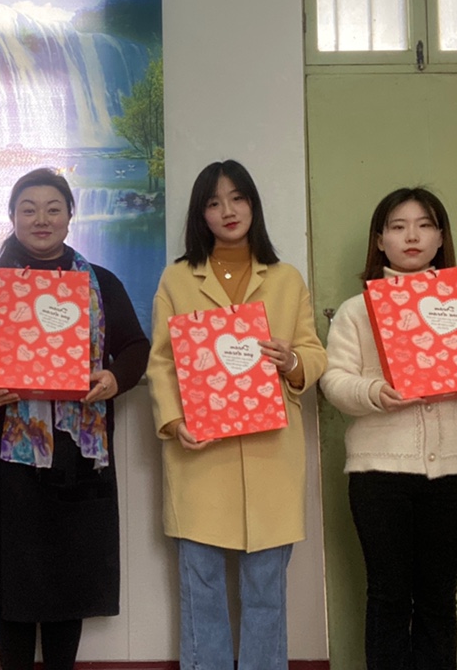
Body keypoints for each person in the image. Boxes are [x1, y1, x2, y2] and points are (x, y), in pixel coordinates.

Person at [0, 167, 149, 670]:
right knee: (11, 577)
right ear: (12, 216)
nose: (41, 219)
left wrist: (115, 378)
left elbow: (135, 347)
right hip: (8, 453)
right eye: (29, 209)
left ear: (70, 215)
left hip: (78, 456)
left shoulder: (100, 282)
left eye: (53, 208)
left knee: (68, 576)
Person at [319, 186, 457, 670]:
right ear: (380, 241)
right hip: (379, 476)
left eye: (425, 225)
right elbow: (333, 380)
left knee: (438, 600)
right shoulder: (355, 310)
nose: (412, 236)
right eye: (398, 226)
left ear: (440, 238)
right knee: (387, 598)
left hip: (455, 475)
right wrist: (375, 392)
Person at [145, 159, 327, 670]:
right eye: (213, 202)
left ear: (253, 204)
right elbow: (161, 362)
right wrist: (174, 422)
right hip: (201, 455)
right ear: (200, 214)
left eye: (237, 198)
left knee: (266, 592)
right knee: (201, 591)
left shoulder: (286, 278)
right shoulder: (177, 278)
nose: (227, 210)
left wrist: (292, 361)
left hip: (272, 456)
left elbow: (314, 353)